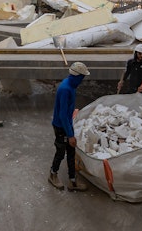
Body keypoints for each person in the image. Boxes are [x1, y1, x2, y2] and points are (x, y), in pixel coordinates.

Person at [48, 62, 90, 192]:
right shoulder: (66, 89)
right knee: (61, 152)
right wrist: (70, 135)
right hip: (61, 126)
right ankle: (52, 174)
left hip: (66, 124)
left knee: (71, 152)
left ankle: (73, 181)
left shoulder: (71, 84)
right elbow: (62, 115)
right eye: (82, 77)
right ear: (77, 76)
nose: (82, 81)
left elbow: (66, 112)